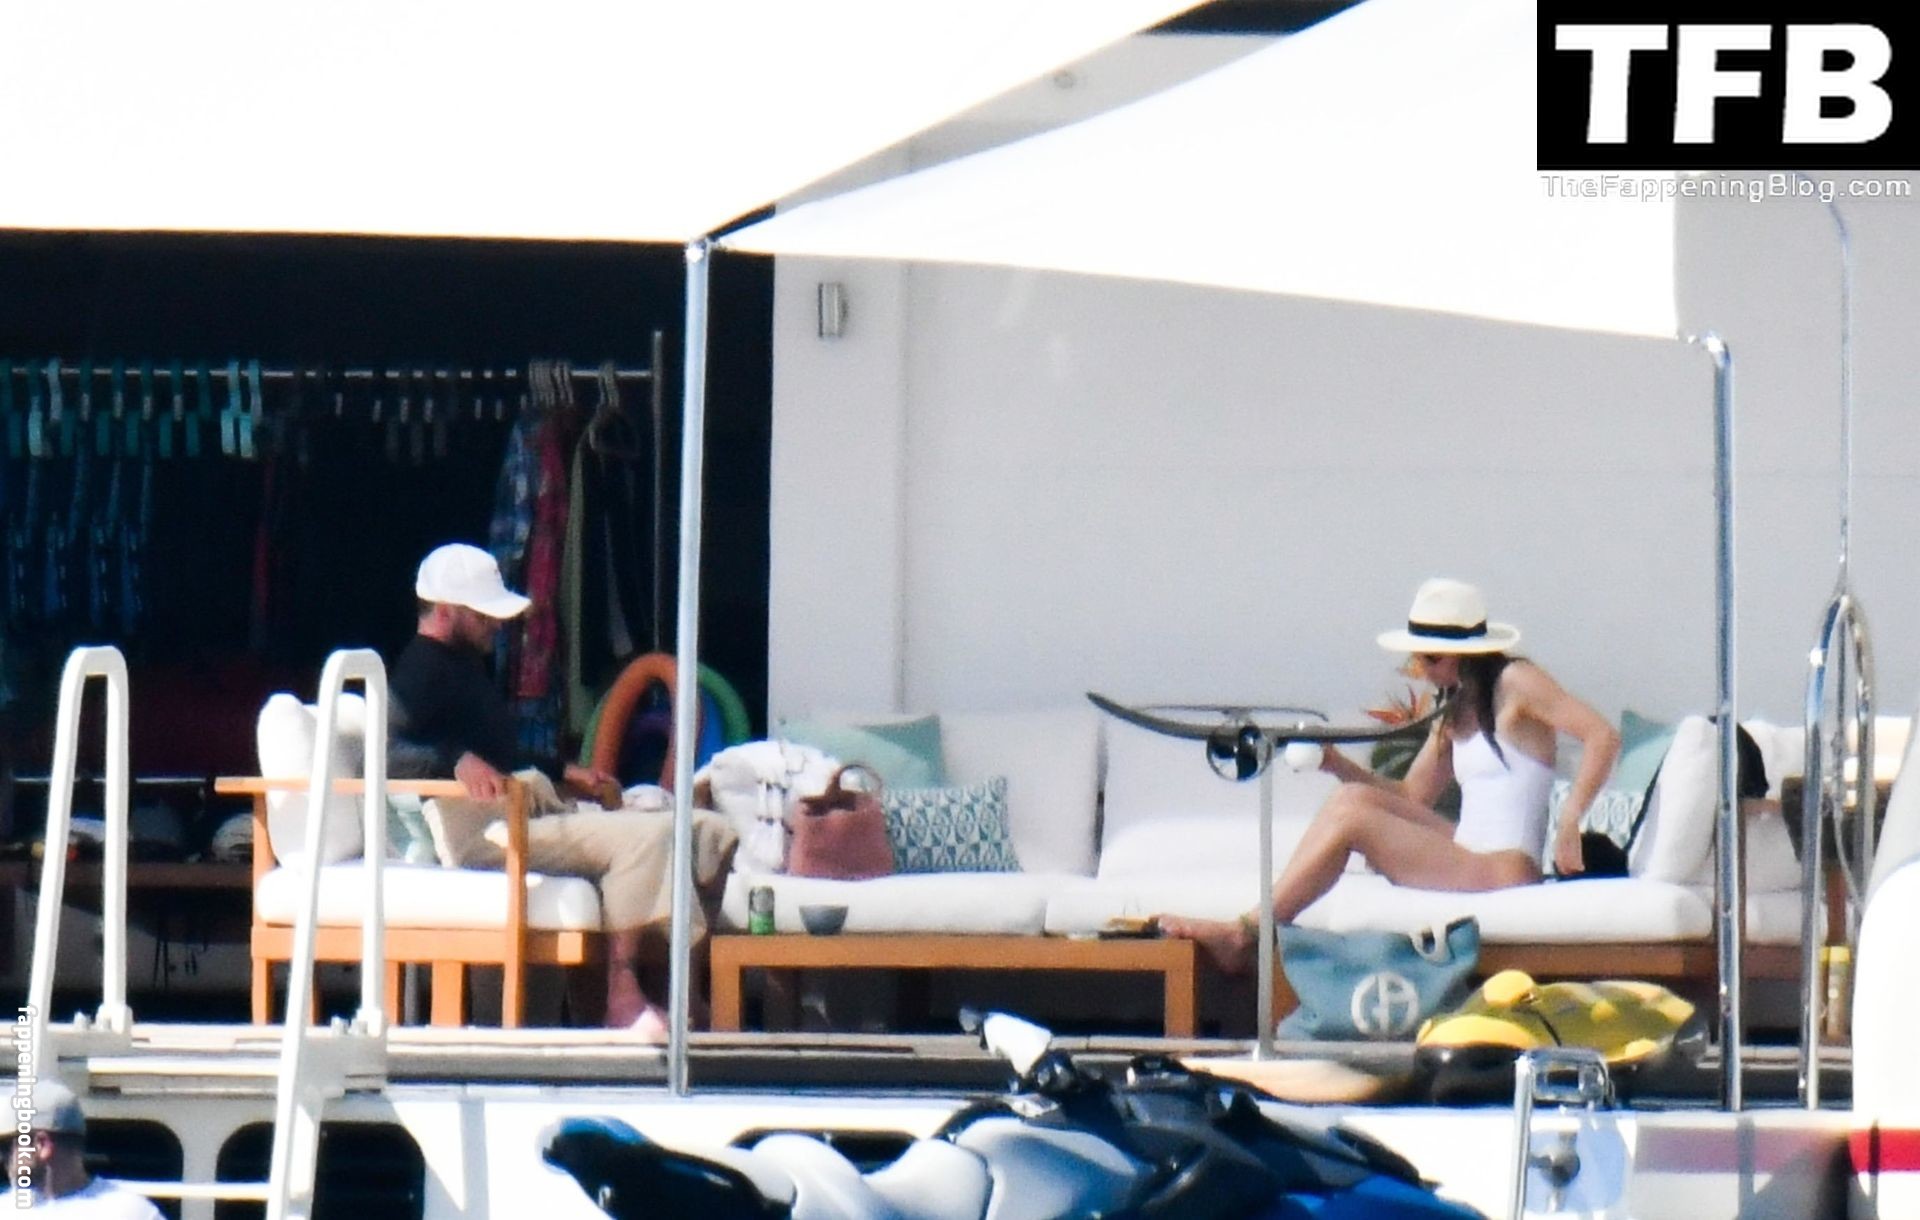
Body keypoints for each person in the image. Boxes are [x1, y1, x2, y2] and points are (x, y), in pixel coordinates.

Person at [1162, 577, 1619, 969]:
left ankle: (1244, 935)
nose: (1423, 671)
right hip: (1467, 850)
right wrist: (1336, 764)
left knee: (1355, 818)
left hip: (1505, 868)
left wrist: (1570, 819)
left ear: (1467, 653)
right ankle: (1253, 927)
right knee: (1351, 801)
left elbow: (1601, 736)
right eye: (1419, 660)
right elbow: (1412, 795)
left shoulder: (1517, 682)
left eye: (1432, 659)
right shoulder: (1455, 702)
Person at [390, 542, 737, 1036]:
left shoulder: (464, 666)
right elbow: (386, 752)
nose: (496, 625)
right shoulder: (417, 671)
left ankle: (681, 988)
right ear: (446, 612)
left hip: (527, 807)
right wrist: (454, 760)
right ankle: (622, 995)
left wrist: (566, 771)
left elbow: (500, 755)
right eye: (484, 615)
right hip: (486, 830)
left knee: (707, 831)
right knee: (649, 837)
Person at [13, 1079, 164, 1217]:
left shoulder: (130, 1212)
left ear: (42, 1144)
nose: (3, 1156)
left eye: (7, 1146)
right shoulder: (135, 1211)